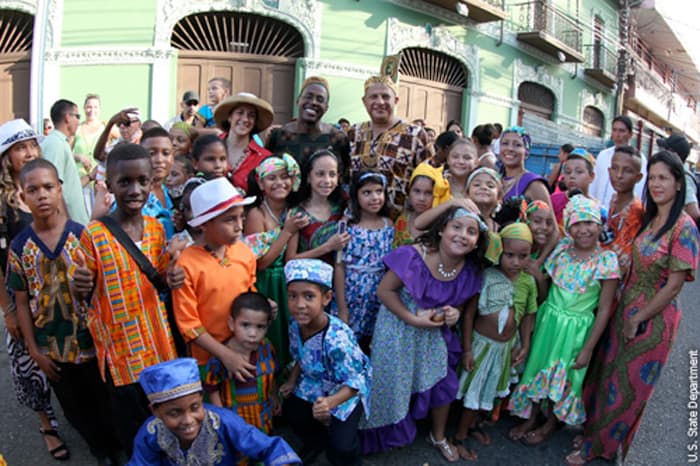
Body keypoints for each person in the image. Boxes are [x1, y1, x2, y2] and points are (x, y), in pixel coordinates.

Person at [567, 151, 699, 465]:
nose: (656, 184)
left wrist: (638, 317)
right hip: (626, 304)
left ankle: (599, 448)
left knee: (627, 386)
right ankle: (593, 435)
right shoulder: (652, 218)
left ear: (679, 183)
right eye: (652, 177)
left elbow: (674, 284)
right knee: (606, 374)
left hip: (652, 319)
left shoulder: (684, 227)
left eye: (663, 178)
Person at [11, 158, 120, 464]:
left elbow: (103, 288)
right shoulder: (20, 247)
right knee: (74, 406)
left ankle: (112, 447)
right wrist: (34, 350)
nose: (42, 195)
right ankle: (99, 449)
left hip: (91, 342)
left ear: (60, 189)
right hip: (52, 347)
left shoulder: (82, 236)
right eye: (33, 190)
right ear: (23, 197)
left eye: (48, 187)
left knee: (103, 399)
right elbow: (21, 301)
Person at [73, 143, 181, 454]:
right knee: (132, 425)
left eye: (142, 181)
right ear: (109, 185)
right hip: (120, 351)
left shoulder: (156, 229)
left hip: (158, 346)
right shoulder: (94, 235)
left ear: (151, 182)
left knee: (163, 416)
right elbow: (83, 293)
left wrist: (172, 278)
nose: (135, 189)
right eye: (124, 182)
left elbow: (159, 276)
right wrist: (80, 284)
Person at [360, 206, 486, 462]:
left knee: (445, 383)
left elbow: (459, 306)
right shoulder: (412, 256)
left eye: (471, 232)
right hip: (398, 326)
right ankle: (383, 434)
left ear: (476, 244)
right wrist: (412, 319)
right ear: (441, 230)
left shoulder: (470, 271)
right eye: (456, 227)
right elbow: (385, 292)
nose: (462, 235)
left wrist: (455, 315)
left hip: (433, 333)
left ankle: (438, 436)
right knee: (393, 385)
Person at [508, 195, 619, 445]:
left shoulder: (606, 261)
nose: (583, 229)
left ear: (600, 225)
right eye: (576, 224)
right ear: (568, 228)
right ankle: (531, 416)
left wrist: (588, 348)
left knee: (567, 375)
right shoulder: (561, 251)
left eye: (589, 223)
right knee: (538, 368)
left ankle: (550, 424)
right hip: (549, 322)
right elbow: (547, 288)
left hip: (577, 331)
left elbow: (602, 310)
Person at [0, 119, 65, 460]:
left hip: (59, 290)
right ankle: (47, 424)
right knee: (29, 362)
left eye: (31, 145)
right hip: (21, 294)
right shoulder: (3, 201)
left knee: (64, 356)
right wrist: (8, 309)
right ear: (6, 158)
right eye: (19, 148)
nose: (28, 152)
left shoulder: (47, 184)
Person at [454, 222, 538, 460]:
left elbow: (528, 315)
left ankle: (473, 426)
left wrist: (525, 344)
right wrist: (468, 349)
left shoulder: (528, 282)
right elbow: (469, 314)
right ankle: (459, 436)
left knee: (488, 389)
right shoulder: (487, 276)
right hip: (482, 346)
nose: (516, 262)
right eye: (509, 255)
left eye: (523, 256)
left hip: (505, 348)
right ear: (499, 252)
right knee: (474, 390)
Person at [279, 259, 371, 466]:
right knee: (292, 411)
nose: (299, 304)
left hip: (344, 391)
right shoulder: (296, 324)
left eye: (309, 296)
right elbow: (301, 358)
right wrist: (292, 382)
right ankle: (316, 442)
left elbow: (356, 382)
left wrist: (331, 402)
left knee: (343, 448)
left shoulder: (337, 339)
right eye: (293, 296)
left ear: (327, 298)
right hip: (314, 382)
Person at [130, 358, 301, 465]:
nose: (188, 420)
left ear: (201, 398)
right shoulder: (151, 432)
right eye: (175, 413)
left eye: (195, 407)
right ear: (155, 411)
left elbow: (269, 447)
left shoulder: (224, 421)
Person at [173, 177, 259, 382]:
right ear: (204, 224)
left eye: (241, 218)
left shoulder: (244, 253)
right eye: (230, 220)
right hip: (207, 360)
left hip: (245, 351)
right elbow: (189, 325)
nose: (239, 226)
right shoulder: (186, 264)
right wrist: (225, 354)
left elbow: (249, 293)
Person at [243, 154, 307, 370]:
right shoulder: (256, 215)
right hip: (265, 283)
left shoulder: (292, 212)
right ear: (261, 183)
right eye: (272, 178)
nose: (279, 183)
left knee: (288, 338)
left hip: (286, 283)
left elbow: (289, 259)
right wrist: (287, 231)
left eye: (284, 177)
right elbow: (260, 264)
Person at [349, 75, 434, 216]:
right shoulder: (354, 132)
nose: (380, 102)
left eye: (385, 96)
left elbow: (430, 179)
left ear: (396, 100)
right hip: (358, 223)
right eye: (373, 97)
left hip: (400, 224)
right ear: (364, 101)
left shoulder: (415, 135)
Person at [203, 292, 280, 434]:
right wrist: (221, 418)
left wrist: (274, 396)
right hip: (235, 424)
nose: (252, 333)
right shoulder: (222, 356)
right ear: (232, 324)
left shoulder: (267, 348)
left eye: (260, 327)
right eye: (245, 325)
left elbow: (273, 374)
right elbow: (211, 387)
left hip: (264, 417)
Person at [334, 171, 394, 351]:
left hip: (378, 295)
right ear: (356, 196)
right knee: (348, 344)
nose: (374, 197)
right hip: (352, 294)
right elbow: (339, 266)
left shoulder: (388, 225)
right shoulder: (347, 226)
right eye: (367, 193)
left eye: (379, 191)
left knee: (371, 344)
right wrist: (343, 308)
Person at [266, 77, 350, 182]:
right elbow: (268, 172)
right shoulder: (278, 136)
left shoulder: (338, 138)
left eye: (320, 99)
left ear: (326, 107)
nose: (313, 102)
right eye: (308, 97)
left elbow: (345, 176)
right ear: (298, 100)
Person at [286, 149, 349, 264]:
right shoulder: (298, 215)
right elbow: (290, 259)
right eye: (320, 174)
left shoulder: (342, 209)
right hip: (306, 278)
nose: (327, 180)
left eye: (332, 174)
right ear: (309, 177)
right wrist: (328, 246)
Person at [40, 99, 90, 225]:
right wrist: (68, 226)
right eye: (77, 116)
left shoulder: (61, 143)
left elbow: (69, 186)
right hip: (68, 228)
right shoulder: (55, 144)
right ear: (68, 117)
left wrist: (90, 176)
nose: (79, 121)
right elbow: (53, 187)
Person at [599, 145, 644, 280]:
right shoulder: (614, 200)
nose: (619, 175)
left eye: (627, 171)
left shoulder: (635, 212)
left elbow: (623, 262)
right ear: (609, 170)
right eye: (615, 168)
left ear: (638, 177)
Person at [213, 92, 274, 192]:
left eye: (251, 115)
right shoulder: (209, 147)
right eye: (240, 113)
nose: (245, 119)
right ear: (229, 117)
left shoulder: (264, 158)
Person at [589, 115, 647, 207]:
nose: (617, 135)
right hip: (599, 210)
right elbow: (594, 183)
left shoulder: (639, 159)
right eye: (614, 130)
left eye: (622, 131)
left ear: (630, 134)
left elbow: (639, 189)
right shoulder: (603, 155)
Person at [393, 162, 448, 247]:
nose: (421, 198)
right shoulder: (402, 221)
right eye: (417, 191)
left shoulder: (441, 226)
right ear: (409, 192)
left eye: (428, 193)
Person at [499, 126, 552, 208]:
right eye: (505, 143)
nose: (510, 148)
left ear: (526, 152)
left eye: (517, 145)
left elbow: (549, 220)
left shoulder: (534, 184)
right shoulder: (494, 181)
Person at [140, 127, 176, 239]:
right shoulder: (133, 196)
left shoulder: (171, 193)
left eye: (166, 153)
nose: (159, 159)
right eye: (151, 153)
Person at [657, 133, 700, 222]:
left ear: (674, 155)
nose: (660, 153)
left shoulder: (683, 178)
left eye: (664, 150)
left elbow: (694, 212)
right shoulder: (673, 173)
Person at [551, 148, 597, 229]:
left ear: (591, 176)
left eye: (579, 171)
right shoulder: (553, 201)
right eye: (568, 172)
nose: (572, 176)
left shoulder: (597, 208)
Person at [73, 94, 105, 184]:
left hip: (99, 179)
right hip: (80, 179)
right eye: (89, 107)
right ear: (84, 108)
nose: (92, 110)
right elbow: (66, 152)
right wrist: (79, 157)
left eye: (95, 107)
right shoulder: (77, 129)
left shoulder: (106, 129)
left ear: (99, 109)